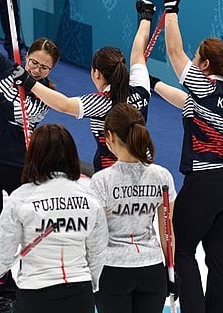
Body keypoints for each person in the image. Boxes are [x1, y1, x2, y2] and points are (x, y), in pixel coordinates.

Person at [150, 0, 223, 313]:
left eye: (196, 59)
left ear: (204, 64)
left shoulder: (203, 85)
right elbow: (186, 103)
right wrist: (152, 84)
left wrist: (171, 10)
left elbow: (175, 53)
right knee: (218, 256)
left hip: (205, 184)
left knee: (183, 251)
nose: (190, 62)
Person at [0, 0, 61, 312]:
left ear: (51, 70)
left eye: (43, 67)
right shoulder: (9, 70)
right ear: (27, 57)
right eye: (33, 63)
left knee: (25, 232)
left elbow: (12, 113)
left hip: (20, 169)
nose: (36, 70)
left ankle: (31, 289)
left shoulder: (43, 95)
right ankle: (5, 292)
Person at [12, 0, 153, 173]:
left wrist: (28, 81)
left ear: (97, 73)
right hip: (145, 168)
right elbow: (139, 52)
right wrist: (146, 16)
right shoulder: (141, 87)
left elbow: (63, 104)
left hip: (111, 177)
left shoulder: (101, 103)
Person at [0, 123, 108, 313]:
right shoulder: (90, 199)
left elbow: (5, 246)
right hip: (80, 293)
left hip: (36, 294)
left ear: (34, 155)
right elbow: (97, 252)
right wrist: (90, 284)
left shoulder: (21, 198)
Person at [89, 102, 177, 313]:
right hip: (152, 270)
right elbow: (168, 232)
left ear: (109, 137)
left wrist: (89, 274)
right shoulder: (162, 175)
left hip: (112, 271)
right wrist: (173, 272)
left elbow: (95, 235)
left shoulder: (102, 180)